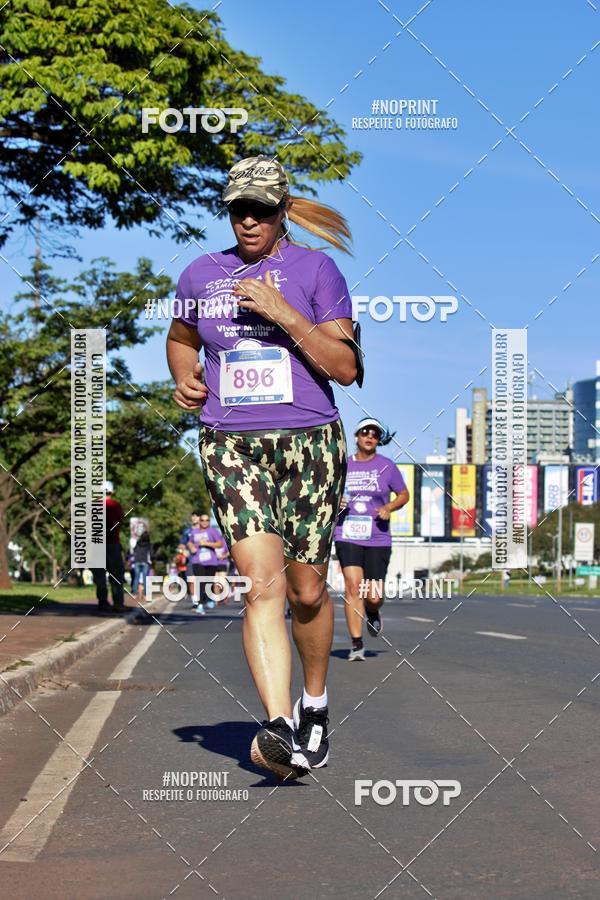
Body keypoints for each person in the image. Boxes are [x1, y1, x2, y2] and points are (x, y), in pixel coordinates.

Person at [166, 154, 358, 778]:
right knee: (263, 588)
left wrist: (284, 314)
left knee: (306, 590)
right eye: (237, 210)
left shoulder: (316, 269)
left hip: (308, 442)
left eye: (260, 210)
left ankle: (316, 704)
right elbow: (181, 336)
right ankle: (278, 728)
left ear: (281, 212)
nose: (247, 221)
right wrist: (183, 379)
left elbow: (345, 367)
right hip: (232, 443)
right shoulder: (202, 273)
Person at [335, 419, 409, 661]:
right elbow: (327, 490)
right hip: (347, 533)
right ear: (356, 436)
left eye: (375, 434)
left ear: (379, 440)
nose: (369, 437)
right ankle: (356, 643)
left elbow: (404, 494)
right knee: (353, 585)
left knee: (374, 596)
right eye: (365, 432)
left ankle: (372, 611)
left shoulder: (386, 466)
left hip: (377, 536)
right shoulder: (344, 465)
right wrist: (337, 501)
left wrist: (389, 506)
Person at [91, 480, 127, 613]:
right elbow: (121, 521)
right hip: (113, 544)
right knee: (116, 574)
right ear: (112, 491)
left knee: (100, 575)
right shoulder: (116, 506)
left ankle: (102, 602)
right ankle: (118, 603)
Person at [182, 511, 224, 614]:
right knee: (200, 582)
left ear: (209, 521)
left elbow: (220, 544)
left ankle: (208, 598)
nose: (205, 522)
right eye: (202, 520)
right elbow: (189, 542)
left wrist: (207, 543)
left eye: (207, 520)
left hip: (211, 561)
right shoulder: (195, 532)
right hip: (197, 561)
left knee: (208, 582)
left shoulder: (213, 531)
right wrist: (191, 547)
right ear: (199, 521)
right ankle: (200, 604)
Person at [131, 530, 152, 603]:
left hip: (137, 561)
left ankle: (134, 593)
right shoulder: (149, 544)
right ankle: (145, 595)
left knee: (136, 577)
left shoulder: (138, 543)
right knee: (145, 579)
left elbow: (134, 550)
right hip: (145, 561)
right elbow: (151, 553)